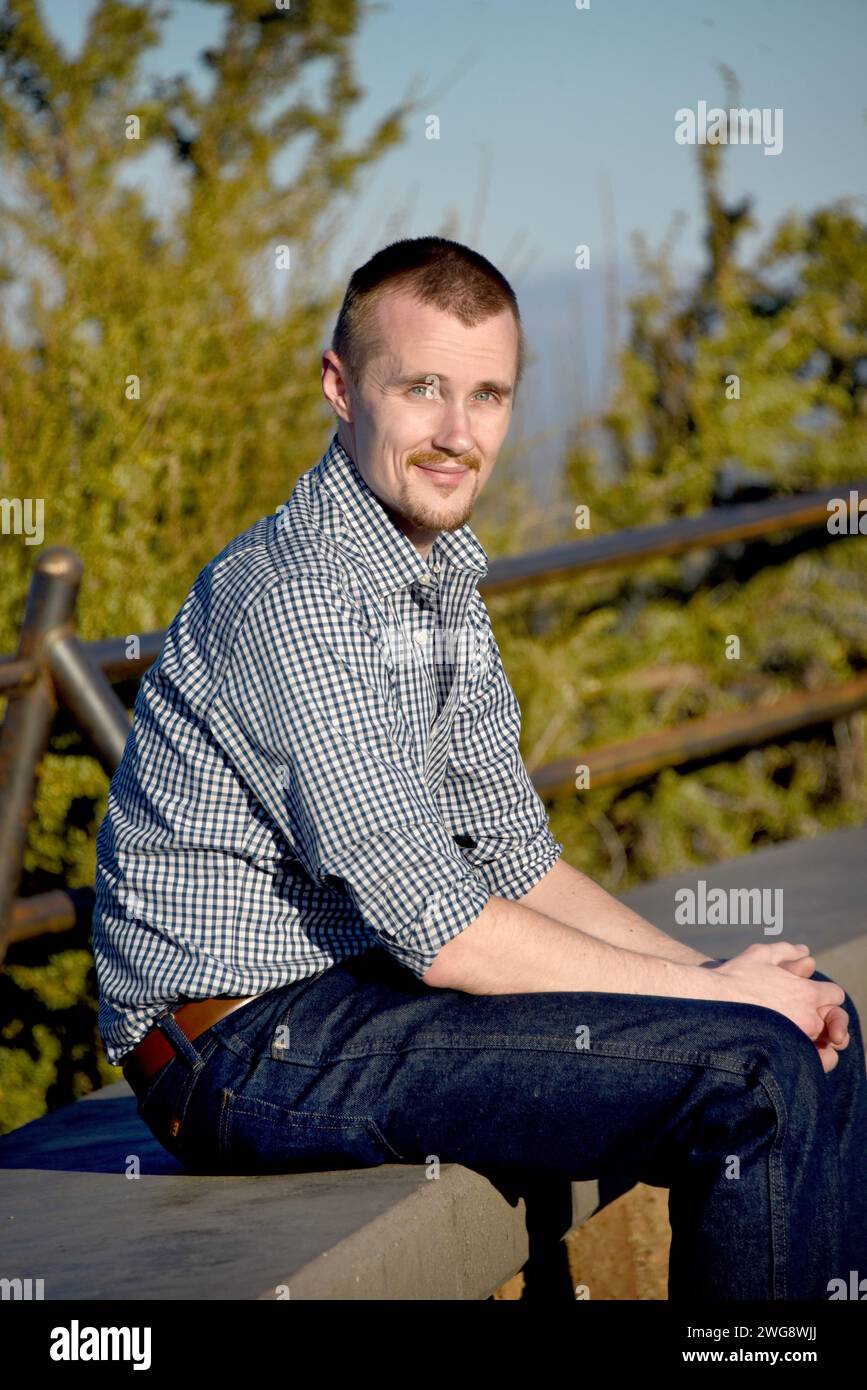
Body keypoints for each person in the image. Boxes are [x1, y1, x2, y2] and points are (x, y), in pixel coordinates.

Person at [92, 235, 866, 1300]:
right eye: (422, 388)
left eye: (489, 395)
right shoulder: (299, 595)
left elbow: (512, 856)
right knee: (754, 1073)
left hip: (360, 991)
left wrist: (728, 983)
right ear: (339, 387)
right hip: (241, 1045)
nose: (459, 434)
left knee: (815, 1019)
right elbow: (448, 930)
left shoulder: (437, 575)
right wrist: (717, 1001)